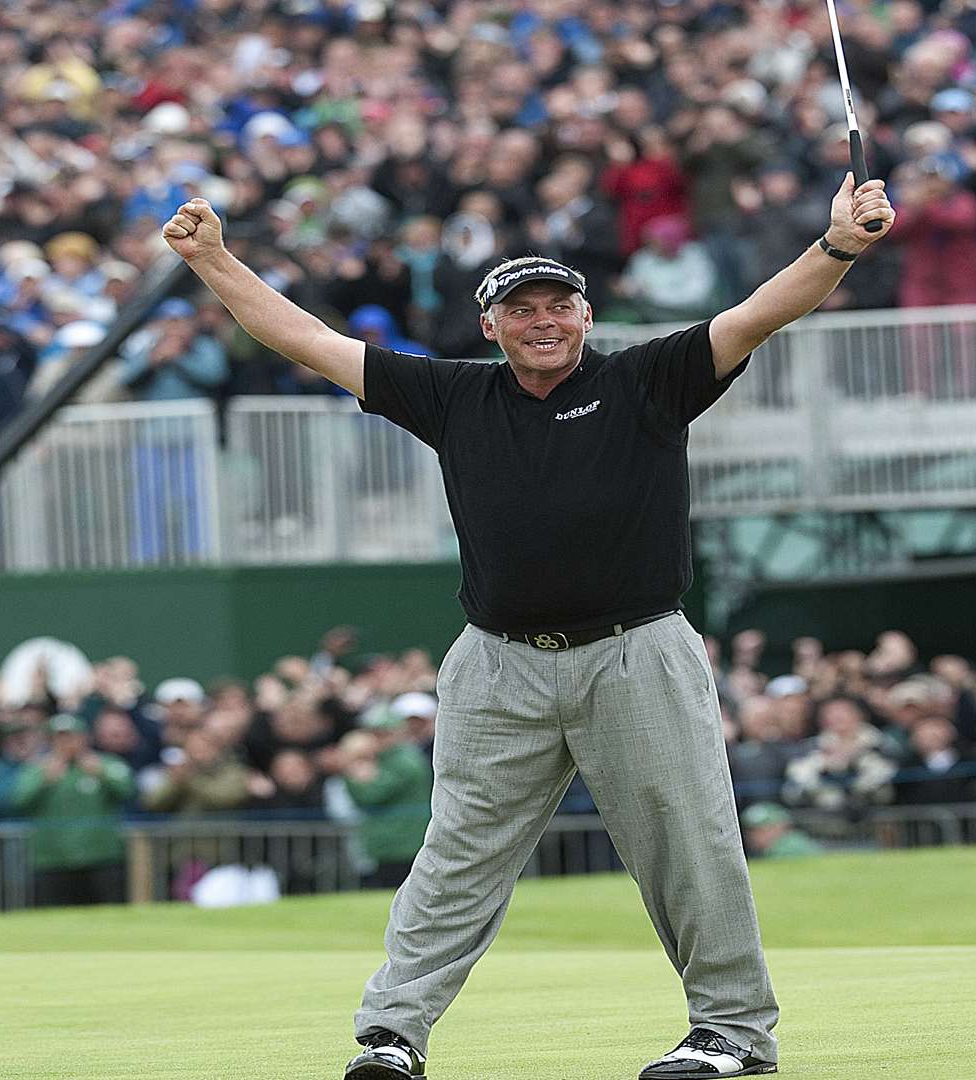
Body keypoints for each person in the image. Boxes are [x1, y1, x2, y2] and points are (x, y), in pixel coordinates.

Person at [161, 162, 893, 1080]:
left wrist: (838, 246)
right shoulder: (457, 397)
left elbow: (759, 313)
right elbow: (308, 340)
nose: (542, 322)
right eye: (522, 310)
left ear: (586, 317)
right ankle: (392, 1035)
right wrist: (215, 260)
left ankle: (734, 1036)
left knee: (688, 845)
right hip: (496, 663)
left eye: (558, 307)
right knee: (457, 854)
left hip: (637, 651)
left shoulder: (646, 381)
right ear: (491, 325)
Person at [10, 714, 134, 906]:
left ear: (84, 738)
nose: (67, 743)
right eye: (60, 738)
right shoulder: (36, 769)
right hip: (52, 858)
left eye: (72, 737)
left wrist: (101, 773)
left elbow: (127, 790)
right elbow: (19, 800)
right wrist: (44, 780)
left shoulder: (105, 764)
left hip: (101, 856)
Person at [337, 706, 434, 890]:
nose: (377, 739)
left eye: (383, 734)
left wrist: (353, 775)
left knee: (396, 892)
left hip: (402, 843)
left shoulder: (403, 762)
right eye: (374, 734)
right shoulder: (387, 760)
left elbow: (370, 795)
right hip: (391, 842)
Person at [739, 802, 821, 860]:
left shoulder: (789, 849)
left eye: (763, 830)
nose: (753, 836)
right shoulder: (770, 850)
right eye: (750, 831)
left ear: (782, 826)